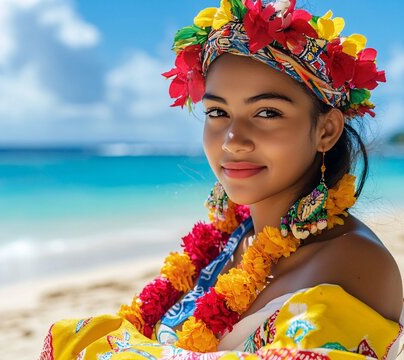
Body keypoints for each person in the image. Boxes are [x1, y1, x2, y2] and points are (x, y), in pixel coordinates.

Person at [39, 0, 404, 358]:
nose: (233, 140)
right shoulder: (235, 237)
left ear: (326, 130)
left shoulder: (353, 263)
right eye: (217, 111)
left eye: (266, 112)